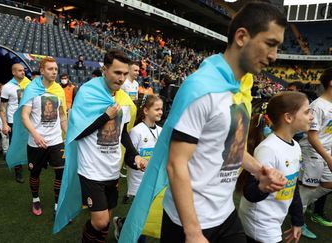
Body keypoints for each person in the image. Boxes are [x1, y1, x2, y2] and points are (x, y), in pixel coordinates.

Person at [118, 2, 288, 242]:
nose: (274, 56)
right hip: (188, 223)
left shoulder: (243, 88)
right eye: (270, 44)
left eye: (278, 47)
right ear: (241, 36)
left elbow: (231, 147)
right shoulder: (202, 88)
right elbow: (176, 164)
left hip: (225, 215)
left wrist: (260, 171)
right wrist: (193, 232)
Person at [53, 49, 147, 242]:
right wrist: (105, 116)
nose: (121, 78)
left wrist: (134, 155)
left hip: (111, 169)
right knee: (100, 221)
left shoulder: (122, 99)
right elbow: (77, 133)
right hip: (91, 170)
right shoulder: (88, 93)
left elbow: (122, 134)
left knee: (107, 219)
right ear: (105, 69)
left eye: (124, 74)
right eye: (117, 72)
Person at [238, 92, 312, 243]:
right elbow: (250, 193)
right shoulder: (268, 149)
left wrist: (298, 221)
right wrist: (264, 187)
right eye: (306, 112)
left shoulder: (296, 146)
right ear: (288, 117)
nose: (311, 116)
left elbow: (293, 186)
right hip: (259, 222)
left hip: (274, 220)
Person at [5, 57, 67, 216]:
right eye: (50, 69)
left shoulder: (59, 90)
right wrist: (36, 135)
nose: (54, 72)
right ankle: (35, 199)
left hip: (56, 141)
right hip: (35, 142)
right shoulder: (32, 89)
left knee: (60, 173)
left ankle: (56, 205)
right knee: (35, 173)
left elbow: (62, 116)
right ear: (42, 71)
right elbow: (25, 116)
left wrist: (67, 134)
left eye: (55, 69)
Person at [113, 94, 163, 241]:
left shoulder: (161, 130)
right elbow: (129, 156)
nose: (160, 112)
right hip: (138, 180)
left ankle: (121, 222)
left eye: (161, 109)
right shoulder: (137, 131)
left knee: (143, 212)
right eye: (157, 109)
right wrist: (137, 163)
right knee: (142, 215)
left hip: (154, 180)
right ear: (146, 111)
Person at [297, 67, 332, 239]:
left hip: (326, 153)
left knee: (329, 184)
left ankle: (298, 204)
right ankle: (299, 221)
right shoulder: (318, 106)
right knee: (307, 189)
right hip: (313, 153)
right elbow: (312, 137)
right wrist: (328, 158)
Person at [0, 63, 31, 183]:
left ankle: (31, 165)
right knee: (17, 145)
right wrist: (4, 123)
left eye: (23, 70)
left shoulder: (29, 84)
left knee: (30, 144)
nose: (22, 72)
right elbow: (2, 107)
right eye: (19, 71)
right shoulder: (7, 87)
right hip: (14, 121)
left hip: (28, 119)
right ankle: (18, 171)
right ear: (13, 72)